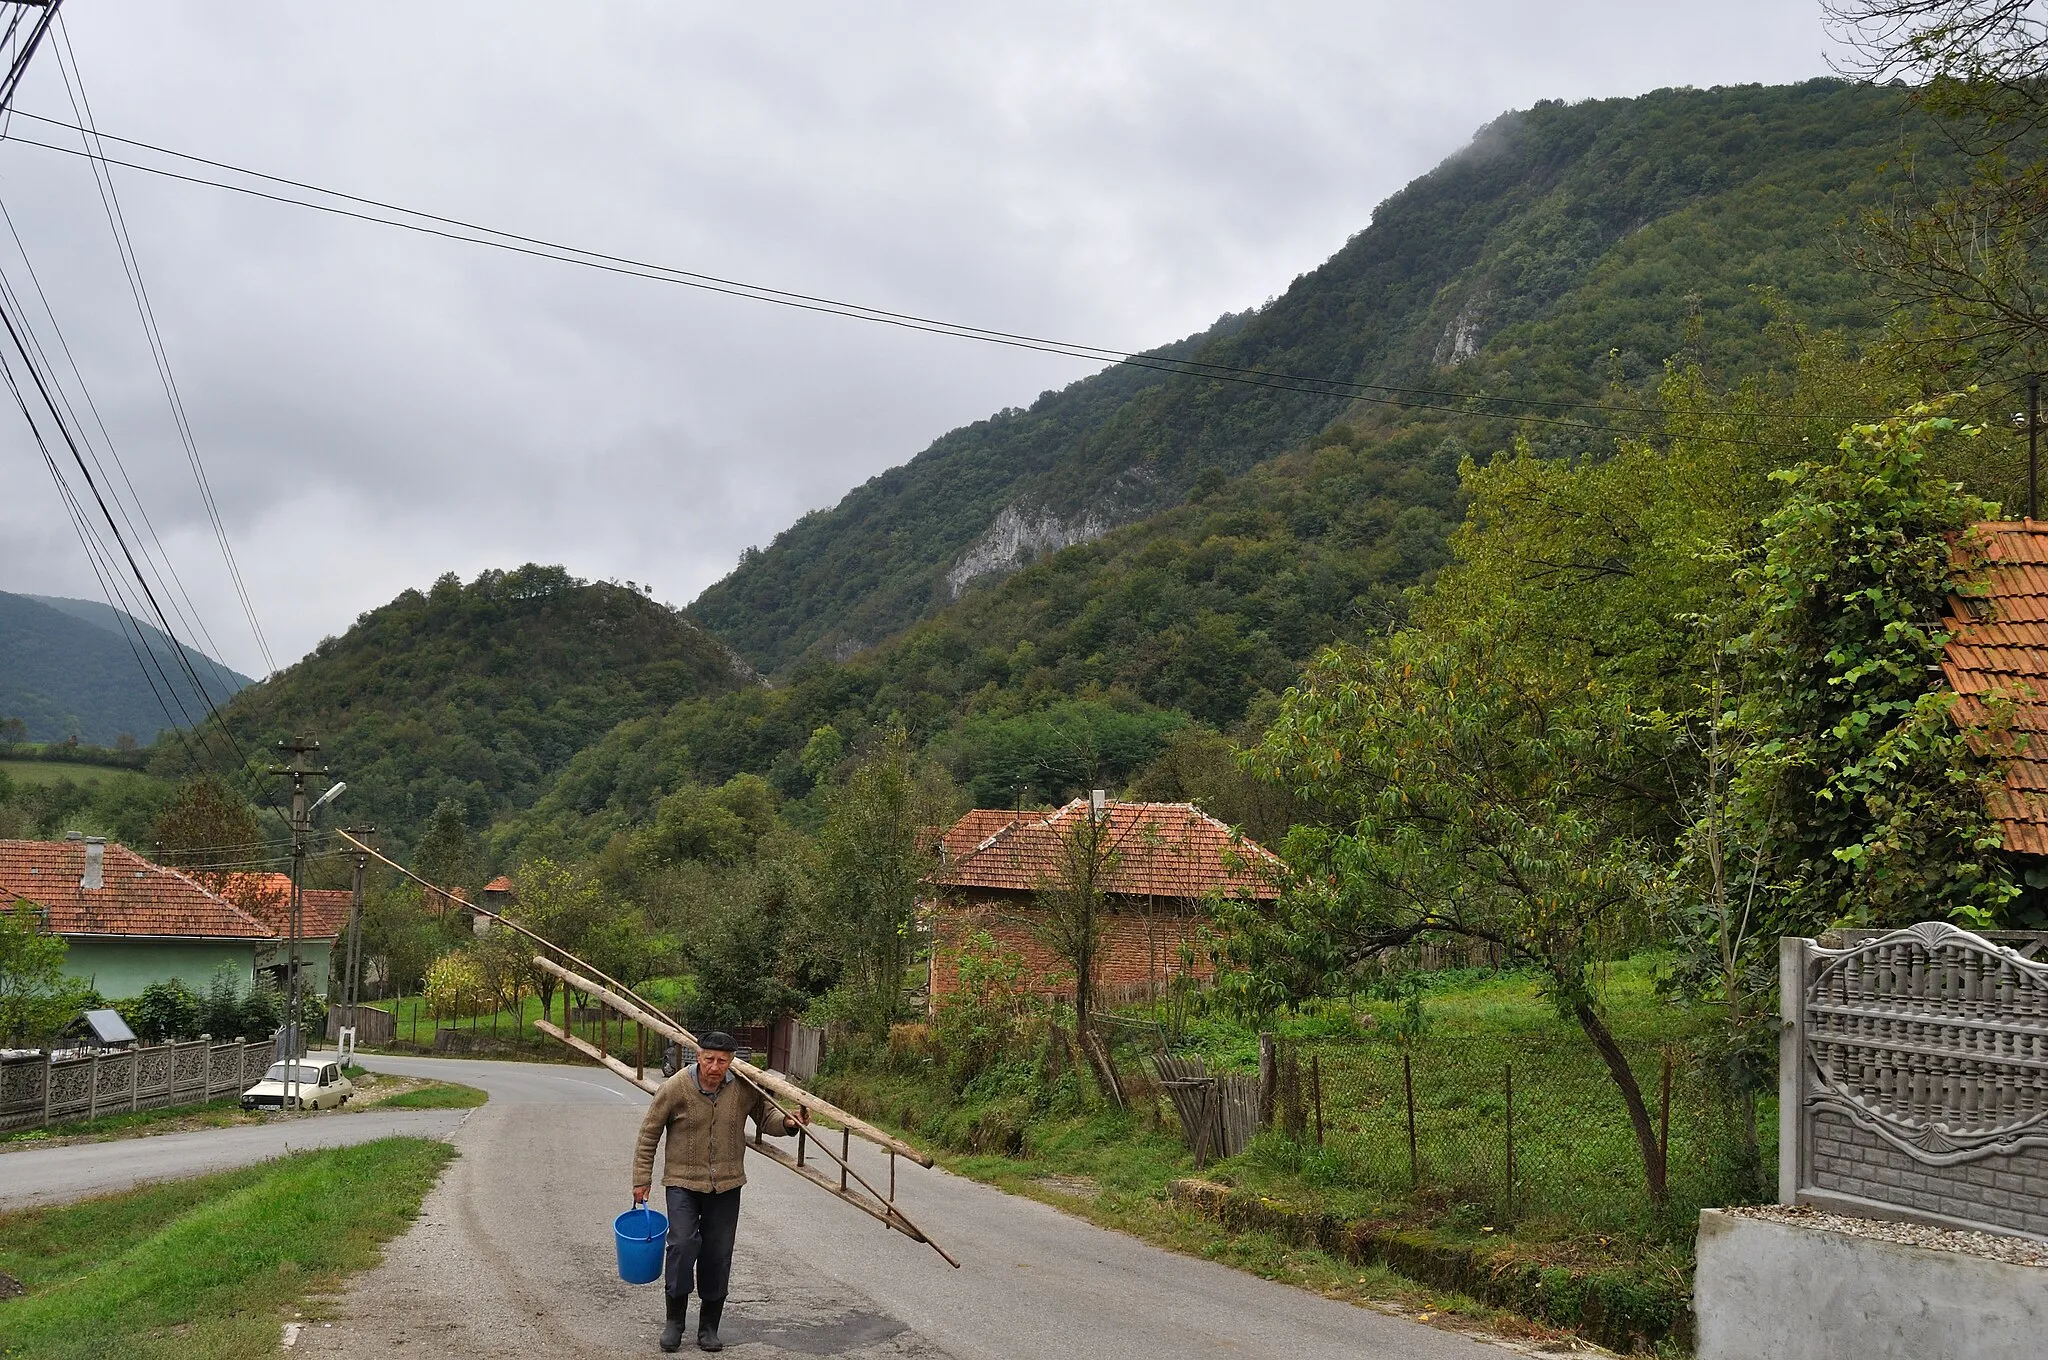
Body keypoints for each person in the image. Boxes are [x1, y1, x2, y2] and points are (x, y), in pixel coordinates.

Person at [632, 1031, 806, 1353]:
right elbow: (649, 1132)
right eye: (709, 1058)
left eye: (722, 1061)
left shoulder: (742, 1087)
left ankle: (708, 1328)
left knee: (717, 1254)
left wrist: (790, 1124)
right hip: (682, 1183)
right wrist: (641, 1180)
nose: (715, 1066)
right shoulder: (675, 1089)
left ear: (731, 1062)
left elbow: (766, 1117)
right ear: (698, 1056)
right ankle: (675, 1322)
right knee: (682, 1246)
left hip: (726, 1185)